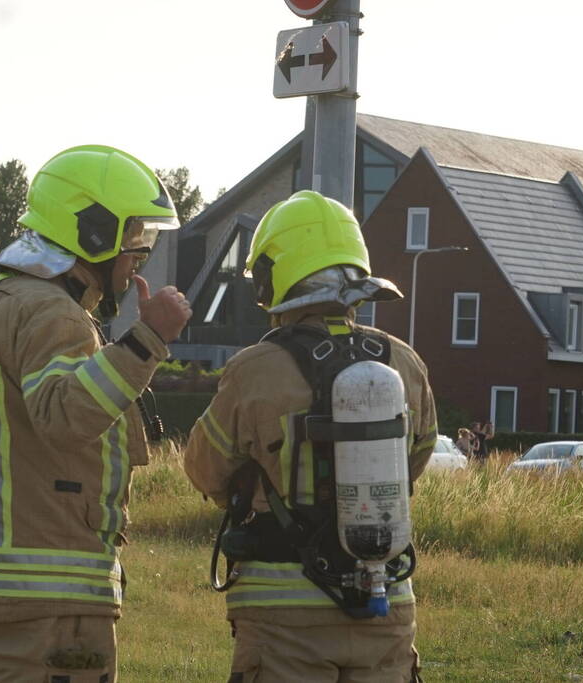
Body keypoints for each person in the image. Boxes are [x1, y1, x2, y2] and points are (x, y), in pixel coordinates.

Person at [0, 144, 191, 682]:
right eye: (135, 239)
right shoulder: (51, 312)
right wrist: (148, 340)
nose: (138, 257)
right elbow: (64, 416)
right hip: (48, 599)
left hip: (6, 595)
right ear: (94, 232)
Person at [183, 190, 438, 682]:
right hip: (385, 602)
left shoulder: (254, 369)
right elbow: (417, 459)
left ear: (274, 278)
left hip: (282, 615)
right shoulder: (404, 362)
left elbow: (203, 469)